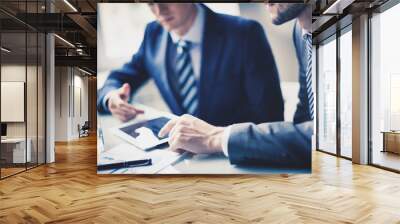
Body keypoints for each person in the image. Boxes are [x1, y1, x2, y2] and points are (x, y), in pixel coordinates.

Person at [159, 3, 313, 169]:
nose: (159, 10)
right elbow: (304, 120)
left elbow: (337, 137)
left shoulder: (244, 32)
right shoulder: (300, 32)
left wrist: (218, 138)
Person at [97, 3, 284, 126]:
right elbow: (119, 77)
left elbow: (270, 118)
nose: (159, 10)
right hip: (183, 160)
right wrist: (111, 97)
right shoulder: (153, 33)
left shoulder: (244, 33)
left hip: (235, 158)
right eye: (150, 3)